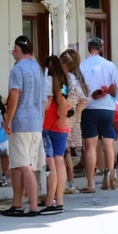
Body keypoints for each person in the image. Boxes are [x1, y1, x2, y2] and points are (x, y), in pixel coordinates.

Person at [2, 36, 46, 216]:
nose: (13, 52)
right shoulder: (37, 68)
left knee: (24, 165)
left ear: (19, 49)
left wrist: (8, 119)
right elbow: (43, 98)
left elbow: (14, 94)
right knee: (19, 164)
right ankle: (17, 204)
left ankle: (33, 207)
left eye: (14, 49)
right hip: (36, 121)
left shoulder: (18, 69)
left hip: (20, 121)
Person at [78, 37, 118, 191]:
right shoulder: (110, 65)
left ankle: (91, 183)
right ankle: (111, 175)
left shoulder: (83, 65)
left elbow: (80, 88)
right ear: (101, 48)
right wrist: (106, 91)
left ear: (88, 48)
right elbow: (115, 89)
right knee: (108, 142)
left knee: (90, 147)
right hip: (107, 107)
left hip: (89, 107)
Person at [41, 55, 70, 213]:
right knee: (60, 161)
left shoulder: (50, 81)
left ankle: (49, 200)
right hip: (62, 125)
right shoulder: (64, 81)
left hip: (49, 123)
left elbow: (47, 104)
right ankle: (59, 200)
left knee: (51, 162)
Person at [61, 48, 87, 194]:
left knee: (64, 152)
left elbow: (81, 100)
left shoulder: (66, 79)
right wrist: (77, 115)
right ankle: (70, 182)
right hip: (72, 118)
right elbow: (83, 99)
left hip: (65, 118)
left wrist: (71, 111)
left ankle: (68, 182)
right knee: (67, 153)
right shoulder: (76, 79)